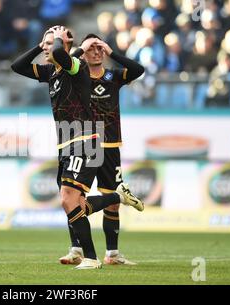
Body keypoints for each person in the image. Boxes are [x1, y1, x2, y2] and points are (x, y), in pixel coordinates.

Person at [11, 26, 144, 269]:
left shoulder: (76, 66)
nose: (50, 47)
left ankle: (97, 254)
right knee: (72, 200)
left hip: (86, 140)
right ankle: (84, 247)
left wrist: (66, 42)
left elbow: (66, 55)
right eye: (48, 44)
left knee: (70, 198)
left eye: (53, 44)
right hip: (68, 142)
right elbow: (17, 66)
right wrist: (41, 45)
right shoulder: (52, 71)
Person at [59, 33, 145, 266]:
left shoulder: (113, 76)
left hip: (111, 145)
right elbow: (64, 64)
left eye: (99, 48)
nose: (96, 52)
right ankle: (77, 249)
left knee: (112, 202)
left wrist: (112, 51)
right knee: (75, 196)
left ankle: (112, 254)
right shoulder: (78, 75)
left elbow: (138, 70)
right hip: (86, 143)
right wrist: (79, 49)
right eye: (91, 48)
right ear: (83, 53)